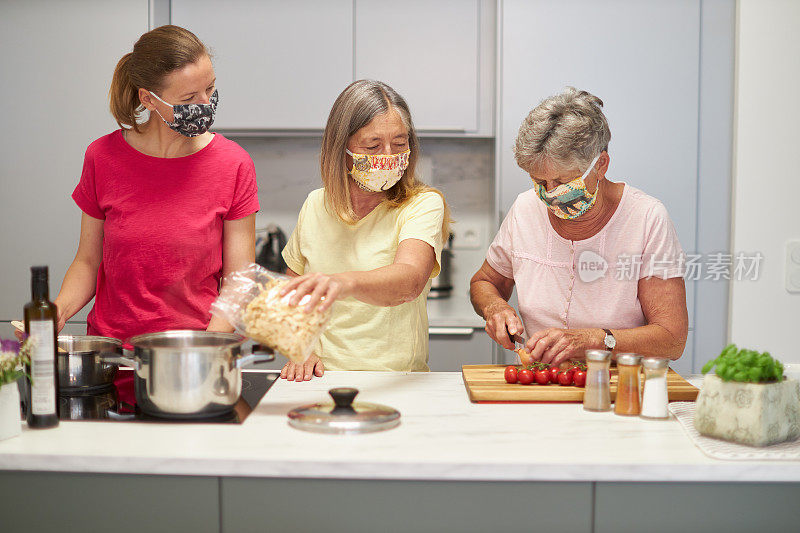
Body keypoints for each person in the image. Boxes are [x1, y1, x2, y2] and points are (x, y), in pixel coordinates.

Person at [53, 25, 258, 342]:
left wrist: (206, 350)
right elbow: (88, 261)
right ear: (148, 99)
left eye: (210, 89)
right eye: (190, 97)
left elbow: (239, 281)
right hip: (112, 355)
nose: (205, 103)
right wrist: (58, 312)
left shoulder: (233, 163)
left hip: (192, 356)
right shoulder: (102, 157)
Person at [470, 87, 687, 367]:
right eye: (539, 180)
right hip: (541, 382)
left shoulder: (646, 218)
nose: (549, 194)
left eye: (562, 182)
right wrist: (495, 307)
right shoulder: (525, 209)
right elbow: (485, 282)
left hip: (620, 389)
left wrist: (594, 341)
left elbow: (671, 339)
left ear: (601, 165)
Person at [279, 80, 450, 381]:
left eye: (400, 144)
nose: (389, 155)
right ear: (341, 149)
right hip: (321, 379)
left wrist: (343, 284)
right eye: (373, 145)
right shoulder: (315, 205)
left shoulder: (423, 203)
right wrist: (301, 349)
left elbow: (409, 280)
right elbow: (292, 299)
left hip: (396, 379)